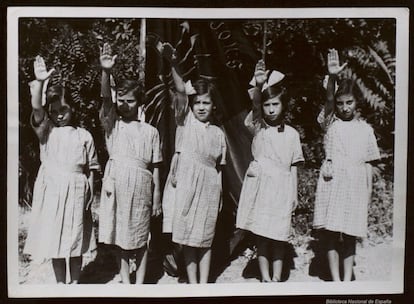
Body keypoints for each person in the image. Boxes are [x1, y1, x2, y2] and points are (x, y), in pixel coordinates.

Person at [24, 56, 99, 284]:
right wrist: (39, 83)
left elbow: (92, 168)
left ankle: (75, 282)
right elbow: (37, 107)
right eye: (54, 110)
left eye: (63, 109)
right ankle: (60, 284)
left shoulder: (84, 135)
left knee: (74, 239)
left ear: (72, 108)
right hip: (53, 192)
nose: (58, 114)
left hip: (77, 191)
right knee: (56, 240)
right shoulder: (47, 131)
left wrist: (90, 193)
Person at [313, 49, 381, 281]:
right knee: (331, 232)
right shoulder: (330, 122)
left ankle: (346, 278)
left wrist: (369, 191)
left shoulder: (365, 129)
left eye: (349, 102)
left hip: (355, 183)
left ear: (356, 102)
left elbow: (370, 163)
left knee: (350, 232)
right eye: (341, 103)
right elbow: (329, 101)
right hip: (332, 181)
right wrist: (331, 78)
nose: (345, 107)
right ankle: (335, 280)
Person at [98, 43, 162, 284]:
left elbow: (156, 167)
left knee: (141, 234)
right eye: (121, 100)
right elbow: (106, 100)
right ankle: (126, 281)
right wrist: (106, 72)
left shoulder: (151, 132)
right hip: (117, 183)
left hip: (142, 185)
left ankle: (141, 282)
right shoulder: (113, 124)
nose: (125, 104)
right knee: (120, 233)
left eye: (130, 101)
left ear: (140, 102)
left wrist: (157, 198)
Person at [162, 44, 227, 284]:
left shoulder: (219, 134)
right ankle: (192, 282)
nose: (201, 107)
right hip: (187, 184)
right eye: (197, 102)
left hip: (210, 187)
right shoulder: (186, 122)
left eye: (206, 103)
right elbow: (180, 90)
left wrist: (219, 195)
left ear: (213, 106)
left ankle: (204, 282)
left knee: (205, 236)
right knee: (187, 235)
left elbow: (220, 168)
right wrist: (174, 64)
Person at [236, 60, 304, 283]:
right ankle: (265, 278)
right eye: (267, 105)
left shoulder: (292, 134)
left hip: (282, 188)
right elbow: (255, 106)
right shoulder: (258, 127)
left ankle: (276, 277)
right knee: (262, 235)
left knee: (278, 236)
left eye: (275, 104)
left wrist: (294, 194)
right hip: (261, 186)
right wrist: (259, 83)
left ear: (283, 105)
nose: (271, 109)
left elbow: (293, 166)